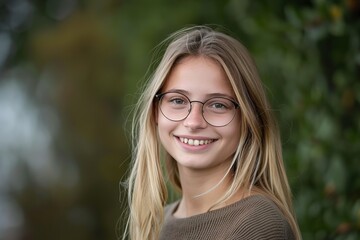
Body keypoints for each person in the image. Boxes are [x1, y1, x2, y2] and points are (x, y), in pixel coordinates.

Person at [124, 25, 302, 240]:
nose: (194, 121)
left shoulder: (256, 223)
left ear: (248, 119)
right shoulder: (158, 222)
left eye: (218, 105)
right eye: (178, 100)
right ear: (155, 112)